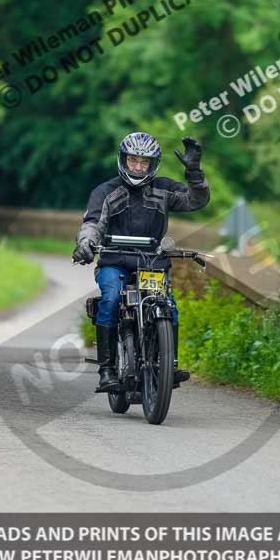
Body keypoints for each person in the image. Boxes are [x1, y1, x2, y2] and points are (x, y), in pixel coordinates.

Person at [73, 132, 210, 391]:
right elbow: (92, 224)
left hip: (151, 262)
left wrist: (194, 172)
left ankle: (168, 363)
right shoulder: (105, 191)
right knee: (111, 299)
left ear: (152, 164)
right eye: (133, 160)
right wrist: (86, 245)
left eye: (143, 162)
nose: (137, 167)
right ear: (123, 160)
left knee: (167, 304)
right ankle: (107, 370)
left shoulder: (165, 189)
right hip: (114, 260)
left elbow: (197, 200)